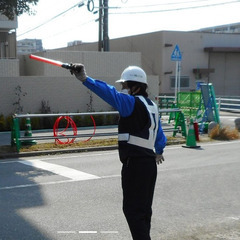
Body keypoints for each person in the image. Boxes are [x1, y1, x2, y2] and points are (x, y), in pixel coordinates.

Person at [71, 64, 167, 240]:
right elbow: (159, 133)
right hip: (149, 166)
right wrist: (159, 151)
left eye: (125, 85)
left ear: (135, 86)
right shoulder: (152, 105)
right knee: (144, 210)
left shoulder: (130, 102)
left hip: (135, 166)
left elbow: (109, 93)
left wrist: (85, 79)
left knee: (133, 211)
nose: (122, 89)